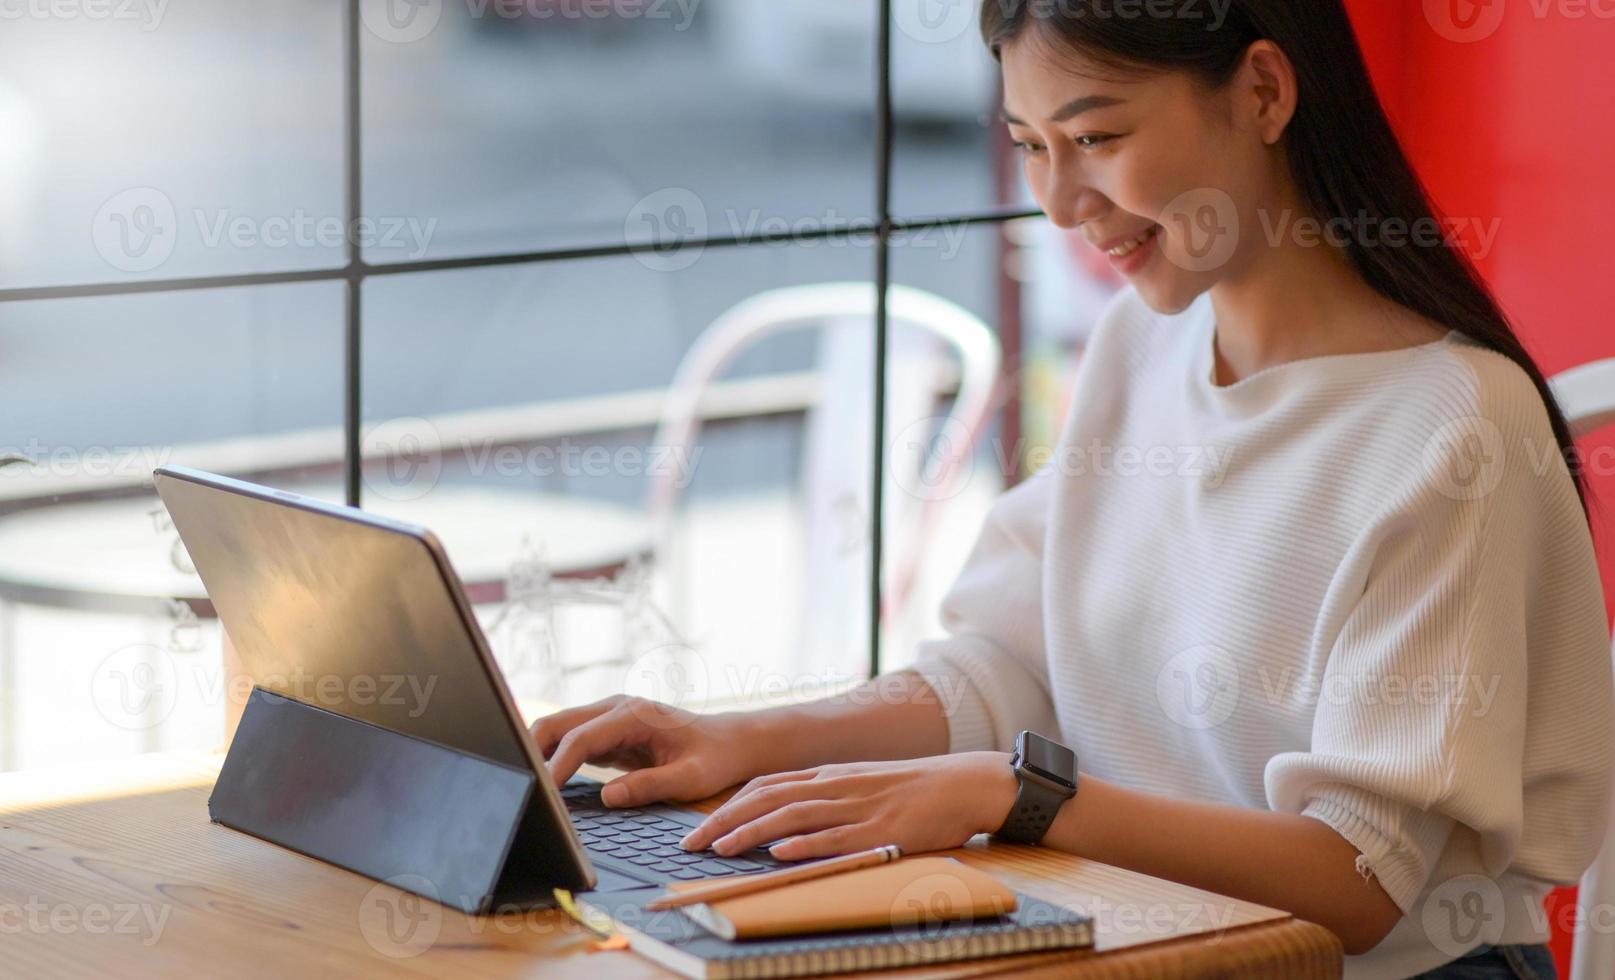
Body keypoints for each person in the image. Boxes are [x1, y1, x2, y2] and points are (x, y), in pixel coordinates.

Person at [533, 2, 1614, 976]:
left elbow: (1358, 880)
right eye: (1028, 146)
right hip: (1142, 932)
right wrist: (741, 738)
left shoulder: (1449, 424)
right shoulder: (1137, 346)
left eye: (1097, 137)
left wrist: (1016, 796)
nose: (1057, 201)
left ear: (1264, 91)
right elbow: (1003, 666)